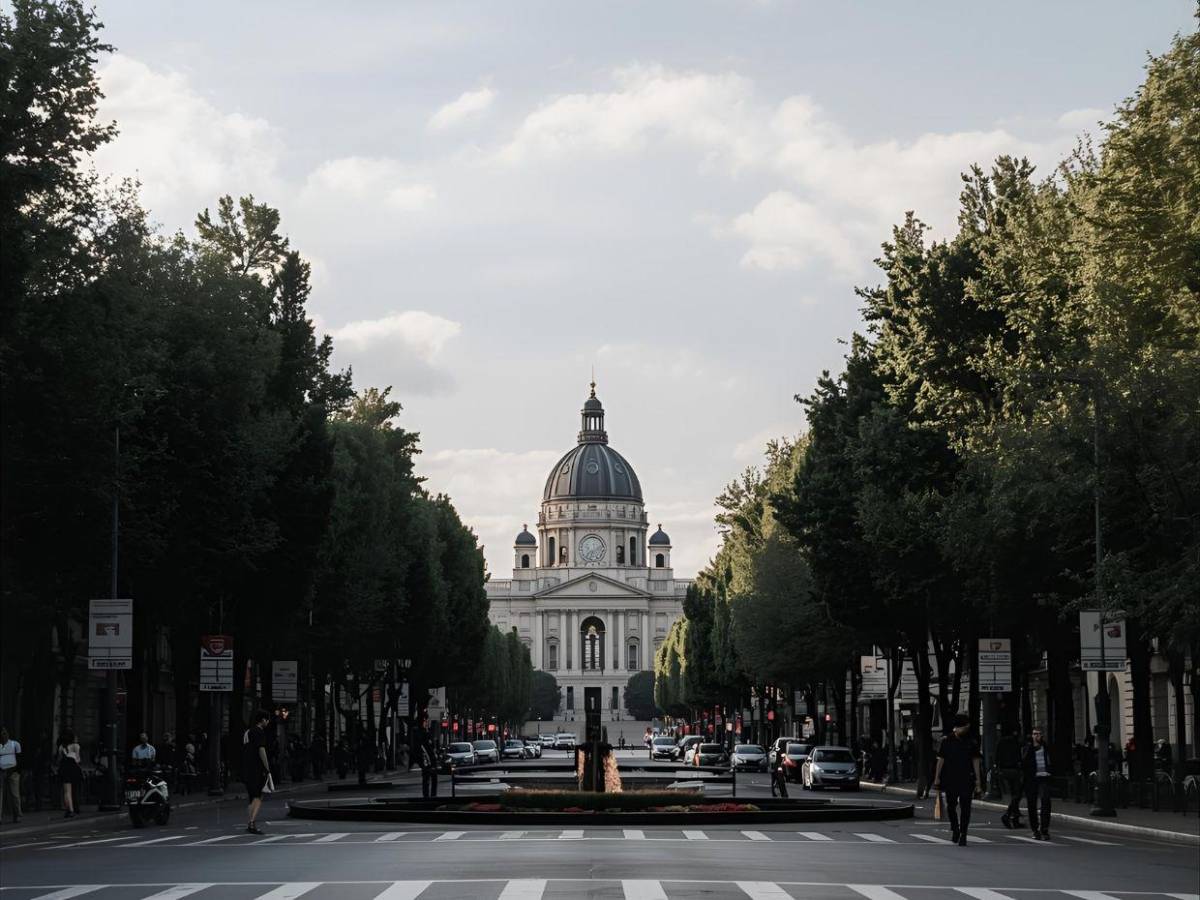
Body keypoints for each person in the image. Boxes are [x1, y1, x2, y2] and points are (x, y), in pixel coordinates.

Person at [932, 713, 983, 846]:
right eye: (964, 728)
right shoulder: (947, 741)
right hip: (951, 778)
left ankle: (963, 833)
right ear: (957, 728)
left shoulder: (972, 741)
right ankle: (955, 828)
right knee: (951, 806)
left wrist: (978, 782)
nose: (966, 730)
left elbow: (975, 761)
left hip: (967, 778)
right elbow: (941, 760)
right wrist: (937, 778)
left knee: (966, 806)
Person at [242, 710, 272, 835]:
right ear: (263, 720)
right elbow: (261, 750)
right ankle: (252, 823)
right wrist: (267, 767)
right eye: (267, 720)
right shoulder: (259, 732)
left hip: (246, 767)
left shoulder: (247, 732)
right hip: (256, 768)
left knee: (251, 796)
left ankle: (250, 822)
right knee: (258, 796)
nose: (268, 722)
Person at [1022, 726, 1053, 840]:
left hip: (1044, 777)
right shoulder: (1028, 747)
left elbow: (1051, 759)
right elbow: (1024, 761)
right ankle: (1035, 829)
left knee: (1045, 802)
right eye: (1034, 734)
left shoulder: (1046, 747)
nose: (1037, 736)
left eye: (1039, 734)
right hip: (1032, 779)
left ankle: (1044, 829)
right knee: (1032, 804)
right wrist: (1031, 747)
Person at [994, 726, 1024, 830]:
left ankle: (1014, 818)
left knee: (1014, 794)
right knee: (1017, 794)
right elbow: (1019, 756)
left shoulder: (1000, 742)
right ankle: (1009, 815)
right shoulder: (1015, 742)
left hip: (1004, 769)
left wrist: (998, 768)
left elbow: (996, 756)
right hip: (1014, 769)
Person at [57, 730, 83, 818]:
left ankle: (70, 809)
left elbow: (59, 759)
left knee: (66, 791)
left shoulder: (61, 747)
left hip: (64, 768)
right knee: (75, 789)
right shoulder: (76, 746)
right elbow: (78, 759)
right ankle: (76, 807)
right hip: (73, 768)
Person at [0, 726, 22, 822]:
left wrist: (17, 771)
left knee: (15, 795)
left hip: (13, 772)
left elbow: (20, 758)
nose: (4, 735)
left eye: (5, 733)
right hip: (1, 771)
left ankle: (17, 814)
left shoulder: (15, 744)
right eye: (2, 733)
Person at [417, 721, 438, 799]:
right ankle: (428, 795)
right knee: (427, 779)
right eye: (425, 722)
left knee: (432, 779)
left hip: (431, 760)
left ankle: (432, 795)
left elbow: (433, 748)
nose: (426, 724)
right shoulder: (422, 735)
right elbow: (424, 750)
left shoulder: (428, 734)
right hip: (427, 760)